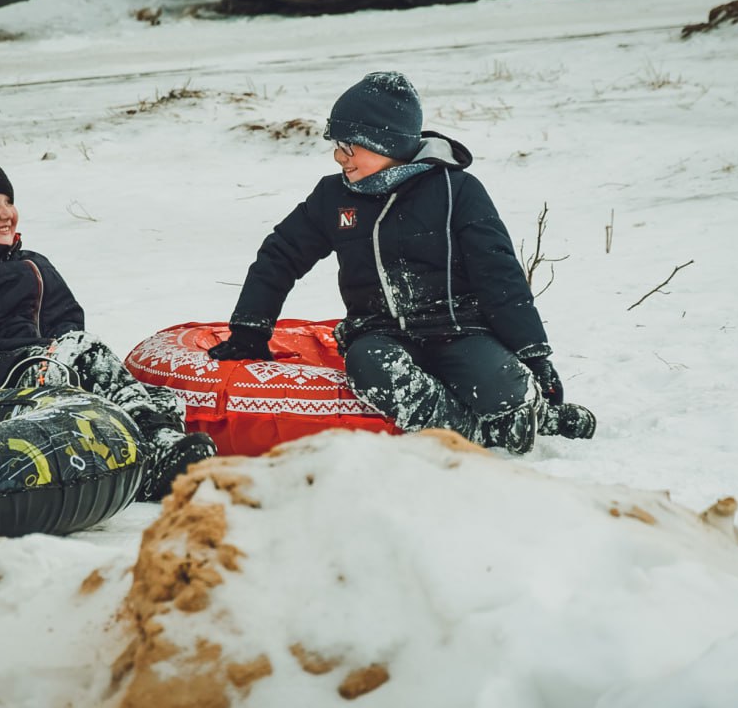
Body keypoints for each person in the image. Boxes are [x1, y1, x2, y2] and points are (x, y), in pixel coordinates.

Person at [207, 72, 596, 454]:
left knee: (504, 388)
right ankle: (463, 434)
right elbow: (281, 253)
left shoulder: (455, 190)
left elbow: (499, 275)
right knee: (372, 368)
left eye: (348, 146)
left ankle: (542, 415)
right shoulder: (333, 197)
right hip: (380, 334)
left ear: (383, 141)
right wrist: (250, 328)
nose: (338, 156)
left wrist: (534, 354)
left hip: (459, 329)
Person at [0, 146, 215, 500]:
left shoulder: (33, 265)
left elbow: (67, 327)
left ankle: (132, 460)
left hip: (43, 377)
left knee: (157, 397)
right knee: (86, 354)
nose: (6, 213)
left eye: (8, 201)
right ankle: (154, 451)